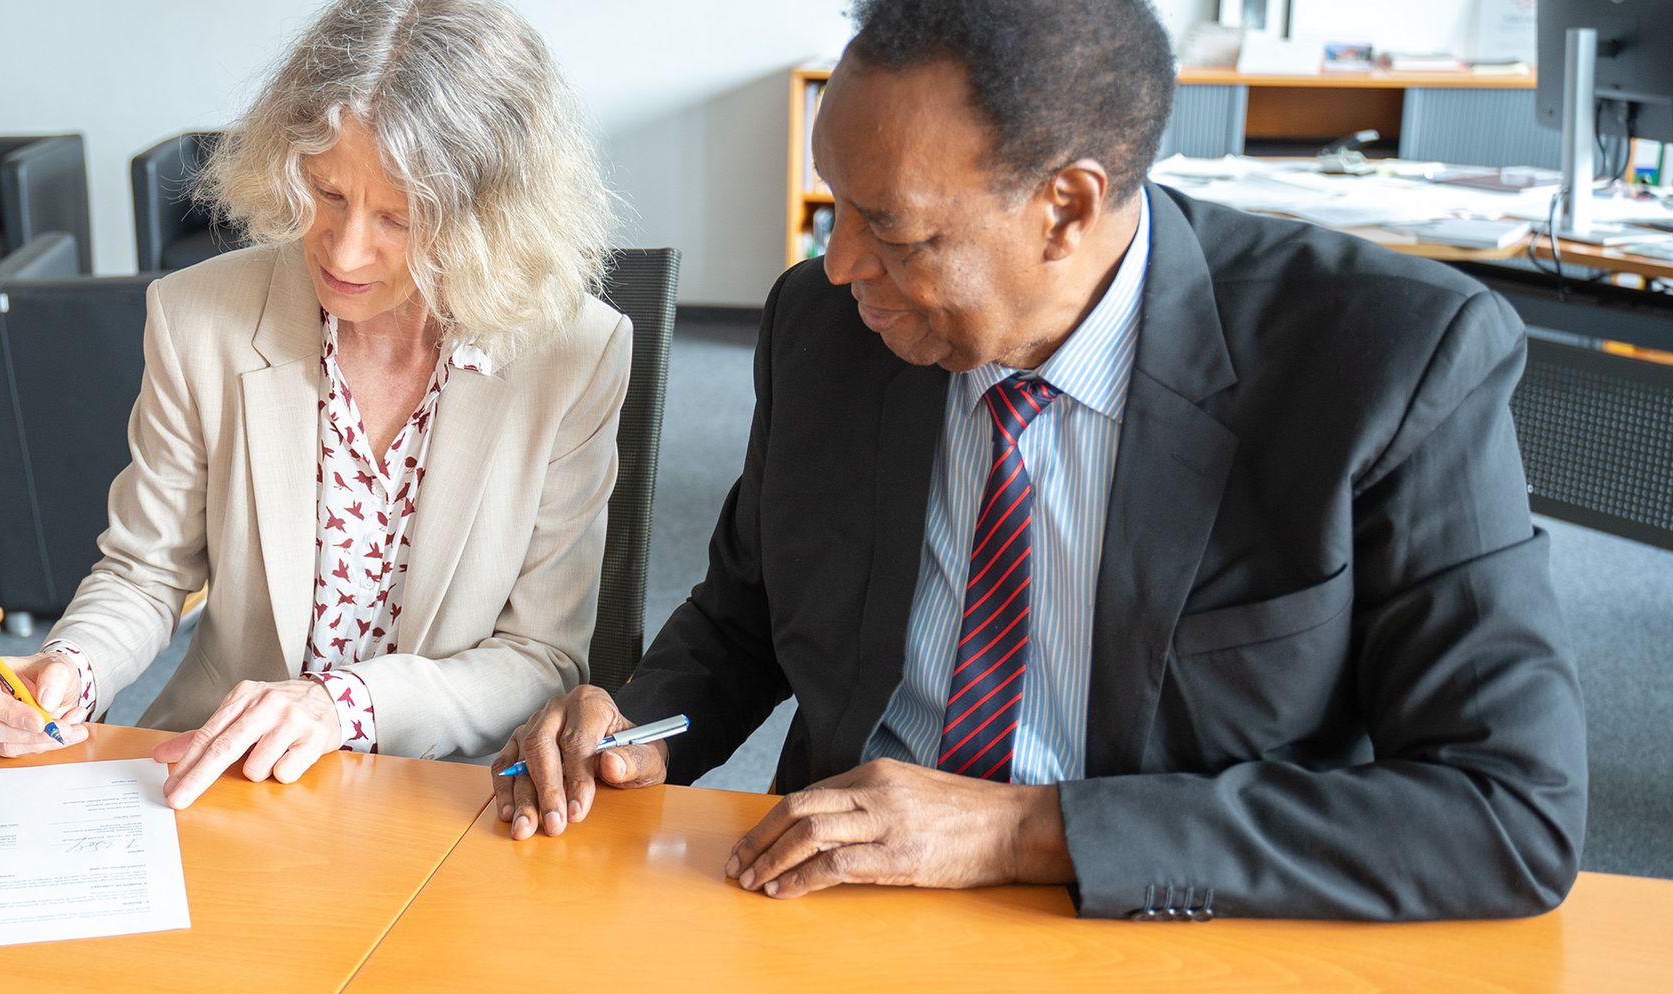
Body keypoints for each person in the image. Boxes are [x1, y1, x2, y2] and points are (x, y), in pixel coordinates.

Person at [493, 0, 1586, 921]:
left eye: (890, 227)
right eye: (833, 207)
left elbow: (1505, 808)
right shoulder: (827, 328)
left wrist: (1028, 830)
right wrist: (638, 720)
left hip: (1163, 924)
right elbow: (749, 611)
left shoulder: (1381, 363)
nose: (838, 265)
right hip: (834, 910)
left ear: (1065, 207)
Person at [0, 0, 630, 809]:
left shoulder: (571, 354)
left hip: (445, 795)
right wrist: (71, 666)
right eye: (326, 192)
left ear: (486, 220)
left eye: (399, 218)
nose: (344, 251)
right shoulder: (196, 316)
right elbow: (145, 569)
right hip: (225, 780)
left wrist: (341, 704)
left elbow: (540, 655)